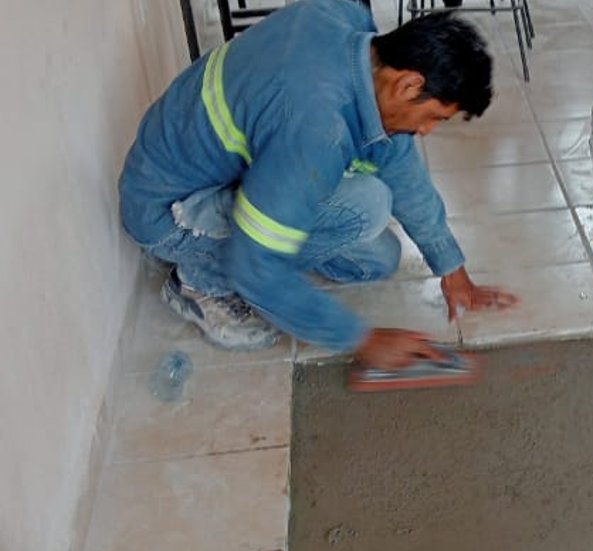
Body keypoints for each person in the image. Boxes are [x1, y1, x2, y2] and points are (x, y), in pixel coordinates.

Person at [118, 0, 517, 372]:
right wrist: (363, 340)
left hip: (206, 168)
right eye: (435, 117)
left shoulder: (349, 24)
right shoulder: (317, 128)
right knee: (367, 205)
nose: (427, 131)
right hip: (166, 211)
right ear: (409, 85)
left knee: (378, 258)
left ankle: (259, 239)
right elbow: (255, 264)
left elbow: (399, 163)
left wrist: (450, 267)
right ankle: (200, 281)